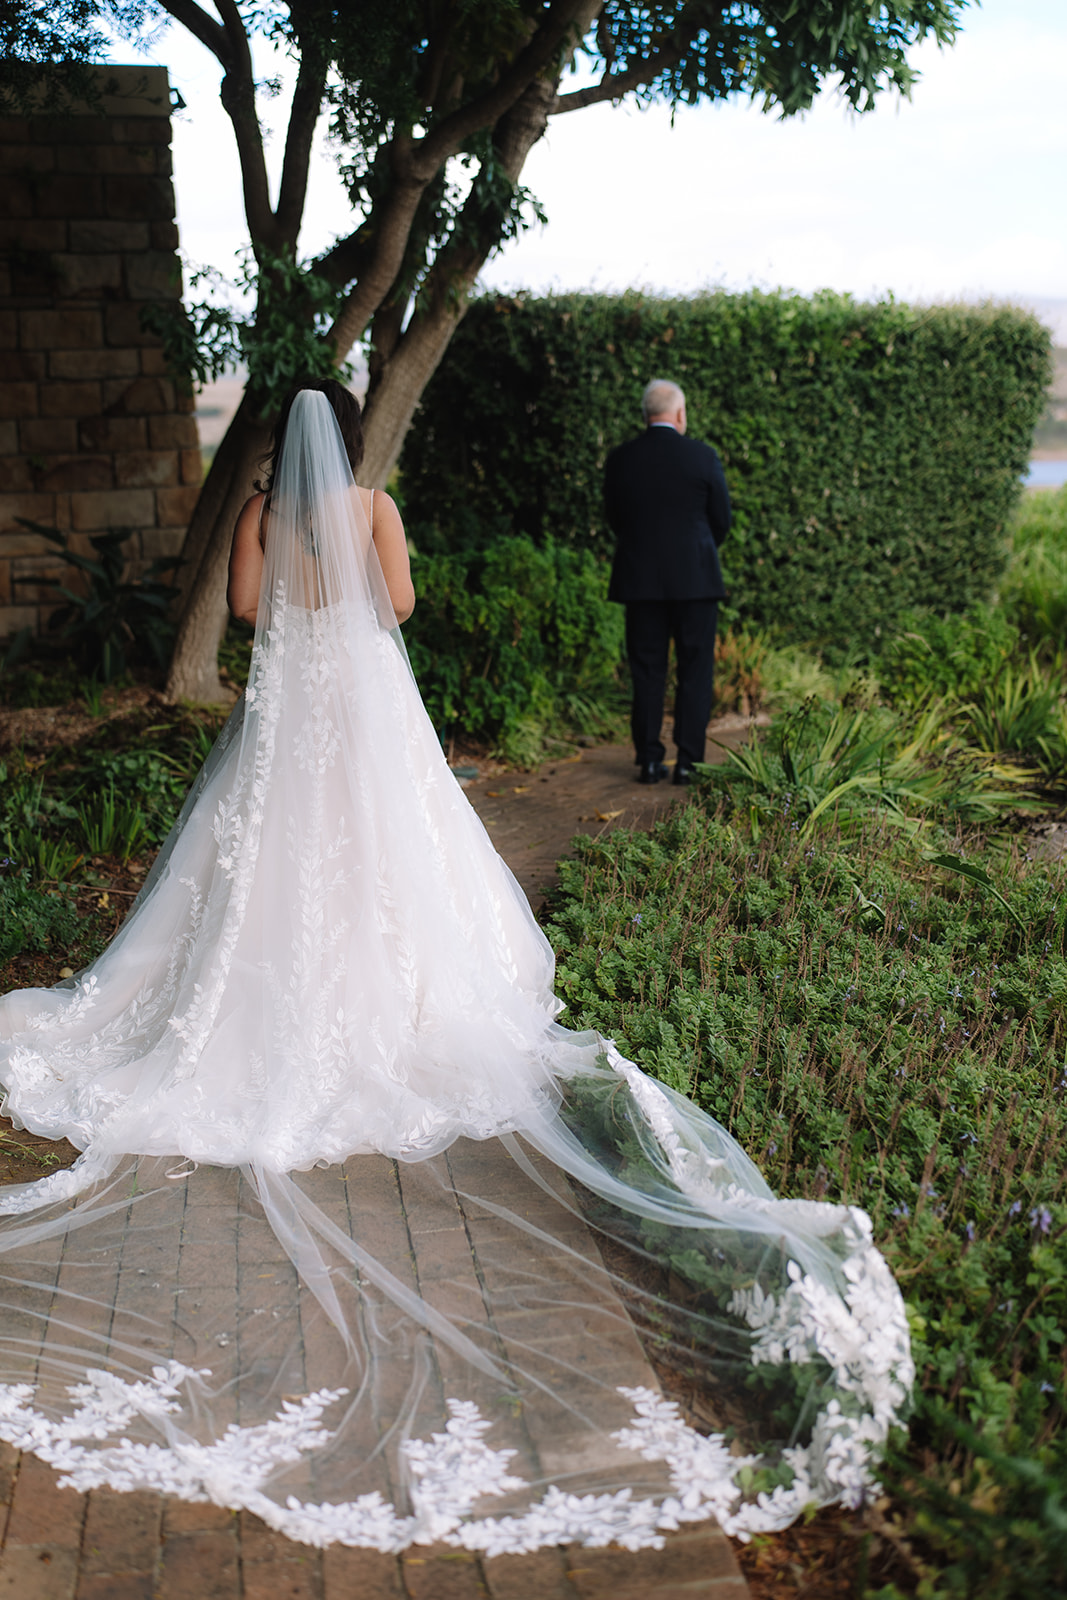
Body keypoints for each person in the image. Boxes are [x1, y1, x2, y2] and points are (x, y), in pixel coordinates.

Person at [0, 379, 911, 1554]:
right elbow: (402, 605)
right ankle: (398, 999)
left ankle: (257, 1009)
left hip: (290, 710)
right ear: (354, 435)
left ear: (281, 441)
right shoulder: (372, 505)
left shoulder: (258, 518)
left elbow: (241, 612)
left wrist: (285, 577)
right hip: (366, 704)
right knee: (391, 860)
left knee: (267, 869)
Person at [604, 379, 731, 786]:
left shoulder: (621, 459)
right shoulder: (703, 456)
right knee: (696, 670)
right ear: (679, 414)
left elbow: (615, 520)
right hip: (696, 581)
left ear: (645, 415)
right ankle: (689, 762)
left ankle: (649, 761)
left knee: (647, 670)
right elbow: (720, 520)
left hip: (640, 581)